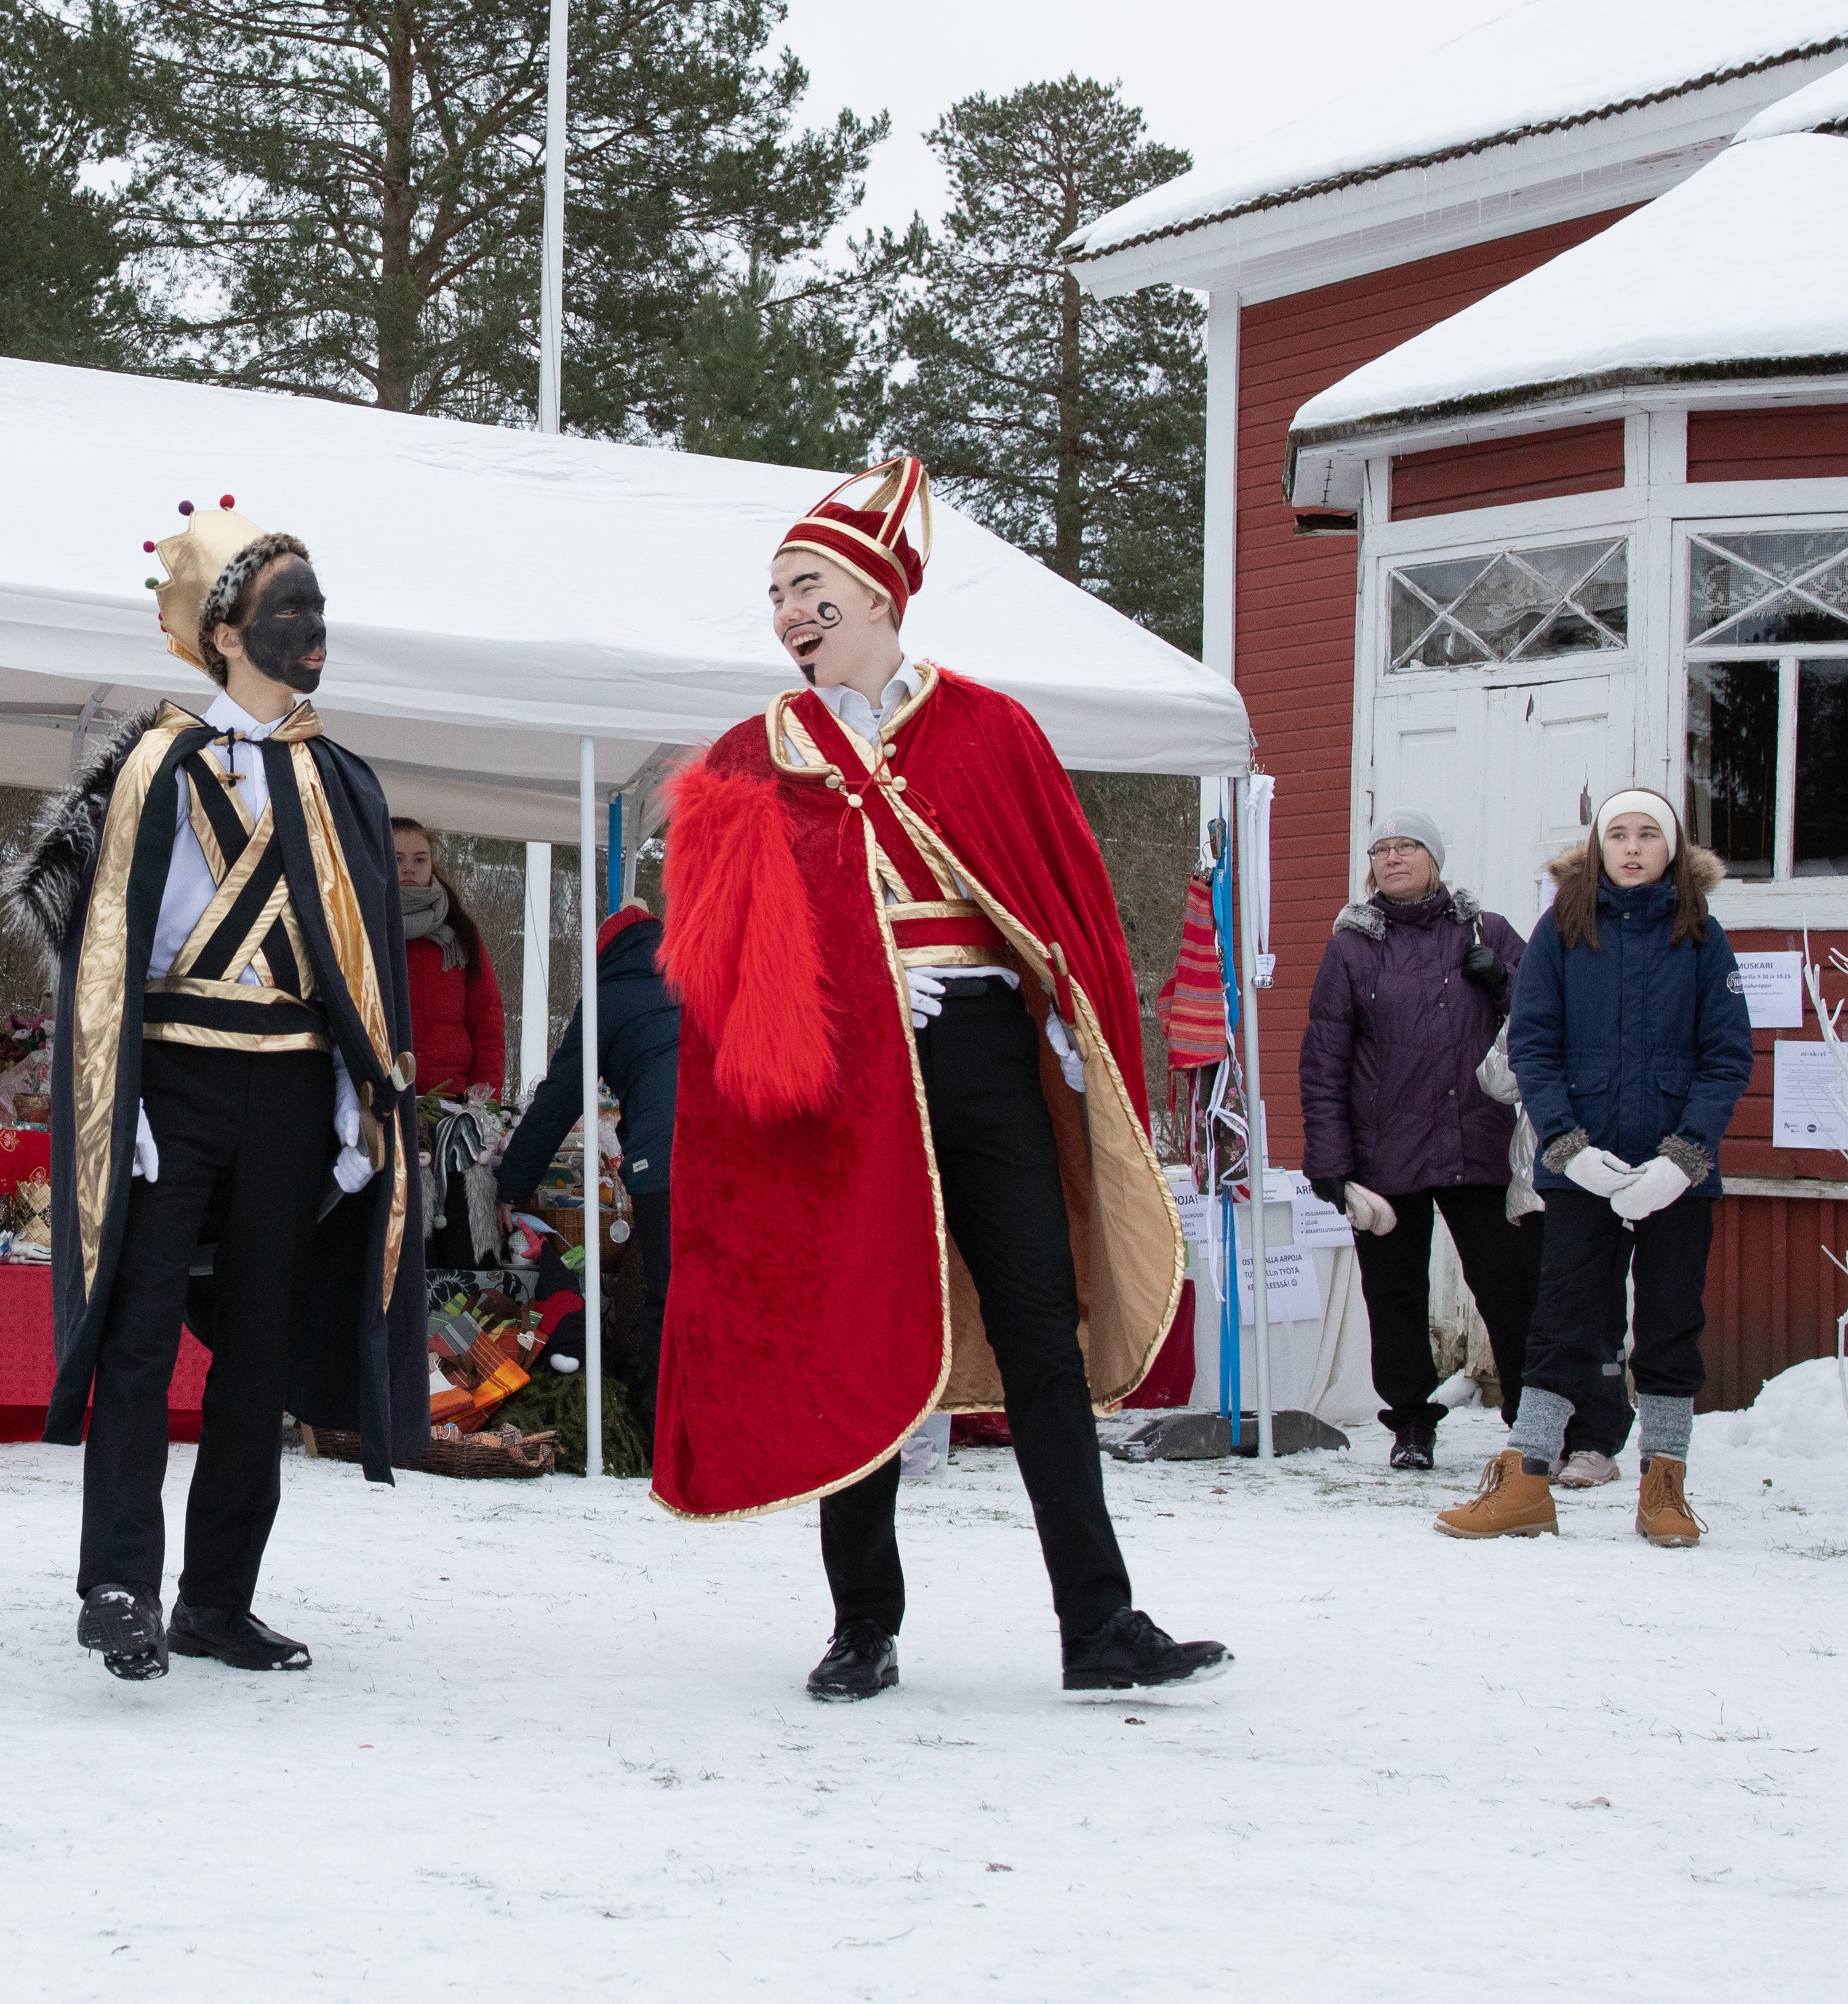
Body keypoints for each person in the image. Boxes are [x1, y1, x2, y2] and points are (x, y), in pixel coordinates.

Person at [652, 457, 1224, 1701]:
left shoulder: (991, 730)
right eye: (777, 594)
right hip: (854, 1078)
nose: (791, 612)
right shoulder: (752, 760)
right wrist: (857, 989)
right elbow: (719, 961)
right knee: (856, 1325)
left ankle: (1100, 1623)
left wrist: (1064, 1016)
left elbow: (1060, 897)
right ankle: (864, 1626)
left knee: (1040, 1332)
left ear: (877, 591)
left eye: (811, 587)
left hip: (985, 1054)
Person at [7, 495, 425, 1682]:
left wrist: (358, 1097)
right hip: (174, 1082)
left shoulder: (340, 776)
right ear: (227, 633)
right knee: (141, 1340)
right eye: (290, 609)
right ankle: (124, 1584)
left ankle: (219, 1599)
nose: (315, 626)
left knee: (260, 1351)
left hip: (295, 1092)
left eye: (320, 607)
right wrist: (119, 1096)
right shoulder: (155, 764)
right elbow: (107, 950)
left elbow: (363, 962)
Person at [1435, 790, 1752, 1550]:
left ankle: (1664, 1485)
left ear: (1672, 849)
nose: (1634, 847)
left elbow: (1727, 1057)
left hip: (1679, 1172)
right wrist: (1569, 1148)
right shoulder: (1560, 933)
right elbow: (1533, 1048)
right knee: (1563, 1322)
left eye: (1649, 834)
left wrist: (1683, 1159)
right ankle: (1527, 1479)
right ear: (1599, 845)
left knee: (1672, 1322)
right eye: (1620, 834)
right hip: (1580, 1171)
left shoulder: (1703, 936)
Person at [1299, 809, 1627, 1472]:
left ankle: (1532, 1420)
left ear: (1434, 859)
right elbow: (1324, 1057)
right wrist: (1330, 1163)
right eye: (1382, 849)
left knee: (1510, 1288)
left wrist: (1502, 983)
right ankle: (1412, 1423)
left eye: (1408, 847)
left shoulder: (1490, 932)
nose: (1393, 859)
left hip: (1478, 1143)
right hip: (1383, 1153)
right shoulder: (1352, 947)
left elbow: (1548, 1023)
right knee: (1392, 1293)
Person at [493, 899, 680, 1419]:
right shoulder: (700, 981)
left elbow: (557, 1102)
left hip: (663, 1165)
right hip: (729, 1160)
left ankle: (662, 1432)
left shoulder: (608, 998)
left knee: (669, 1300)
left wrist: (511, 1186)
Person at [390, 818, 507, 1099]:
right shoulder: (361, 929)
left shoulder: (461, 933)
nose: (409, 868)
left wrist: (485, 1101)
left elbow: (488, 1025)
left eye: (420, 859)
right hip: (379, 1104)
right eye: (397, 859)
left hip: (451, 1103)